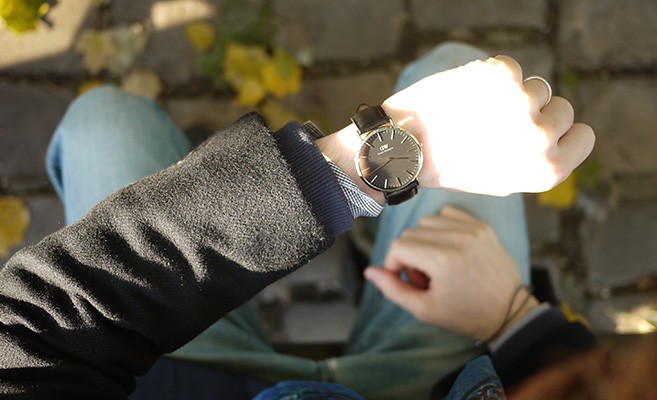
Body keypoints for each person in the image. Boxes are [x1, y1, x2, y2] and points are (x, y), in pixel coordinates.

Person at [0, 42, 594, 399]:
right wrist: (520, 321)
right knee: (458, 65)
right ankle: (374, 223)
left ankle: (359, 214)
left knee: (103, 120)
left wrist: (348, 170)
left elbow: (25, 342)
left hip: (173, 375)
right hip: (461, 368)